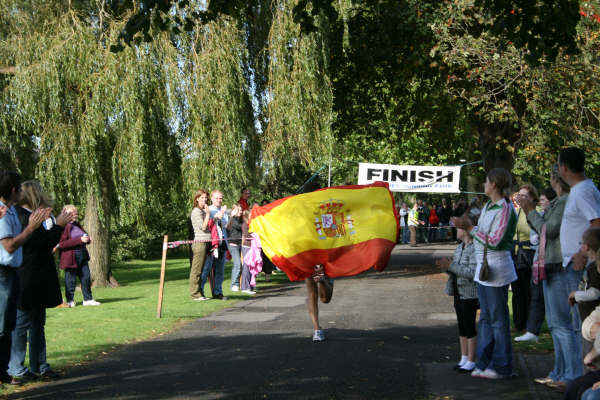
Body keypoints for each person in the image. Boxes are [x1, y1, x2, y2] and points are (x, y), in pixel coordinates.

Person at [453, 168, 517, 379]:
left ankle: (502, 366)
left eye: (487, 182)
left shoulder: (505, 208)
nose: (484, 185)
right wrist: (468, 227)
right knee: (487, 319)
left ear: (495, 185)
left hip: (496, 270)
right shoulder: (490, 205)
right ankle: (484, 362)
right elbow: (483, 235)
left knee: (498, 321)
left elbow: (496, 241)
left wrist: (471, 229)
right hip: (484, 270)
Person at [8, 181, 74, 383]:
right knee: (21, 324)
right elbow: (39, 242)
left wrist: (56, 224)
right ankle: (16, 368)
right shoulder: (20, 215)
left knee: (38, 323)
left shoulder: (33, 215)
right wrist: (60, 224)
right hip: (27, 277)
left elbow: (44, 239)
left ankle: (39, 365)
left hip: (38, 276)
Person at [518, 164, 572, 389]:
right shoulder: (557, 203)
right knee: (556, 325)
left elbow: (547, 230)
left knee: (562, 326)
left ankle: (567, 375)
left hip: (559, 266)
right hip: (549, 266)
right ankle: (559, 371)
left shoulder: (564, 202)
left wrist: (530, 210)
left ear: (555, 179)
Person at [0, 171, 49, 384]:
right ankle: (9, 370)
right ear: (12, 190)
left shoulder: (8, 211)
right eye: (19, 188)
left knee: (9, 326)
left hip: (13, 273)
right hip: (4, 273)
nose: (21, 191)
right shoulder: (3, 213)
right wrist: (31, 228)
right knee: (4, 327)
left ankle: (5, 373)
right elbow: (9, 245)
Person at [437, 213, 479, 373]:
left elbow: (471, 272)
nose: (456, 230)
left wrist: (451, 266)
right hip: (457, 290)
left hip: (469, 292)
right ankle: (463, 356)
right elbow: (455, 269)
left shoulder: (474, 248)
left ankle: (471, 359)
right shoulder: (459, 247)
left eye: (459, 227)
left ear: (466, 229)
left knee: (469, 325)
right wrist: (445, 267)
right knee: (461, 324)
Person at [58, 205, 100, 307]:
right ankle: (70, 301)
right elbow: (62, 244)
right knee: (70, 280)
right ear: (66, 214)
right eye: (72, 213)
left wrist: (88, 239)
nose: (75, 214)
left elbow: (83, 236)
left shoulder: (77, 225)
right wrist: (79, 240)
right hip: (70, 257)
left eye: (75, 212)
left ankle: (88, 299)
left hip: (82, 256)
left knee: (86, 278)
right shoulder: (64, 227)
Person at [511, 184, 540, 336]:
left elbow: (536, 230)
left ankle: (529, 324)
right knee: (516, 291)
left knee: (528, 290)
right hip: (515, 254)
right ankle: (518, 322)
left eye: (524, 196)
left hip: (529, 254)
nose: (520, 198)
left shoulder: (536, 212)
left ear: (532, 198)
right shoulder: (516, 211)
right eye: (519, 196)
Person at [201, 190, 229, 300]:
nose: (219, 200)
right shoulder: (208, 210)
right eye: (217, 198)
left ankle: (218, 292)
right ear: (212, 198)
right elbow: (205, 226)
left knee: (220, 270)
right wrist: (215, 217)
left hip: (222, 243)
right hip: (211, 244)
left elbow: (226, 227)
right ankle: (200, 291)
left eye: (221, 198)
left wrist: (227, 216)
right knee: (207, 268)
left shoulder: (224, 211)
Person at [189, 189, 211, 300]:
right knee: (196, 270)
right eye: (202, 198)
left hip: (206, 243)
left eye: (206, 198)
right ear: (197, 199)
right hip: (200, 243)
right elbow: (203, 227)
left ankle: (200, 293)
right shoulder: (196, 211)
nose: (204, 200)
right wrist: (208, 214)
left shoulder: (202, 211)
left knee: (202, 270)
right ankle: (195, 294)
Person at [227, 204, 244, 292]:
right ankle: (234, 284)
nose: (240, 212)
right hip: (233, 245)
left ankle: (240, 283)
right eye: (238, 210)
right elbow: (238, 227)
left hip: (240, 244)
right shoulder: (232, 220)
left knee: (240, 265)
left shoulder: (241, 220)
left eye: (241, 210)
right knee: (238, 264)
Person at [240, 210, 256, 294]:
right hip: (246, 247)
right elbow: (246, 236)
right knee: (246, 267)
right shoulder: (245, 224)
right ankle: (244, 287)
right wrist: (255, 235)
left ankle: (250, 286)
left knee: (251, 267)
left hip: (252, 247)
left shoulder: (251, 224)